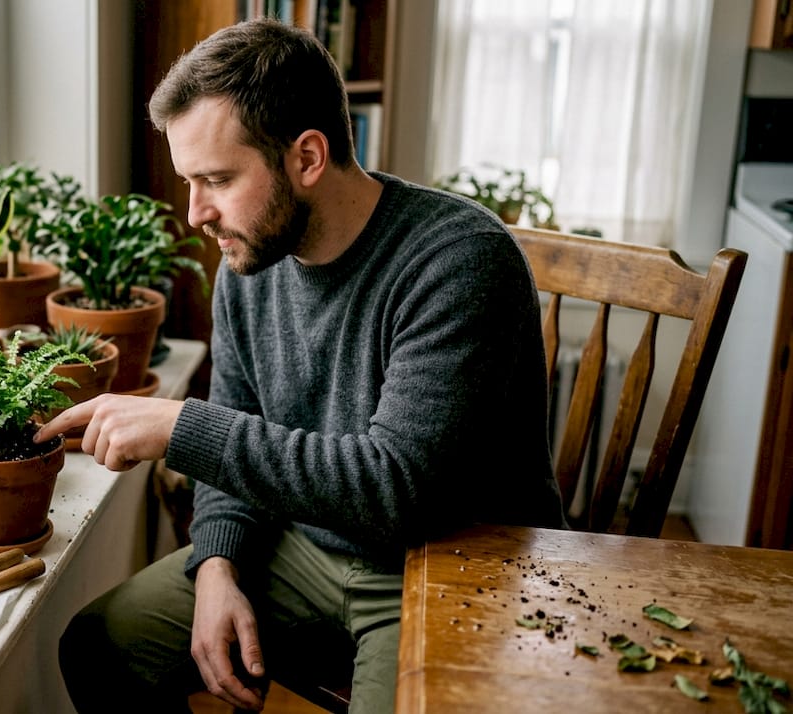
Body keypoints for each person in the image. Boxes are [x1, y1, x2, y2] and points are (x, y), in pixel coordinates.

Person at [34, 17, 567, 714]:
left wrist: (181, 427)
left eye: (217, 180)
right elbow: (241, 429)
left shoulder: (460, 263)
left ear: (307, 158)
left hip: (449, 564)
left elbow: (394, 489)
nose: (196, 213)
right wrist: (217, 563)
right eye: (189, 182)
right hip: (310, 548)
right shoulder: (249, 262)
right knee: (100, 645)